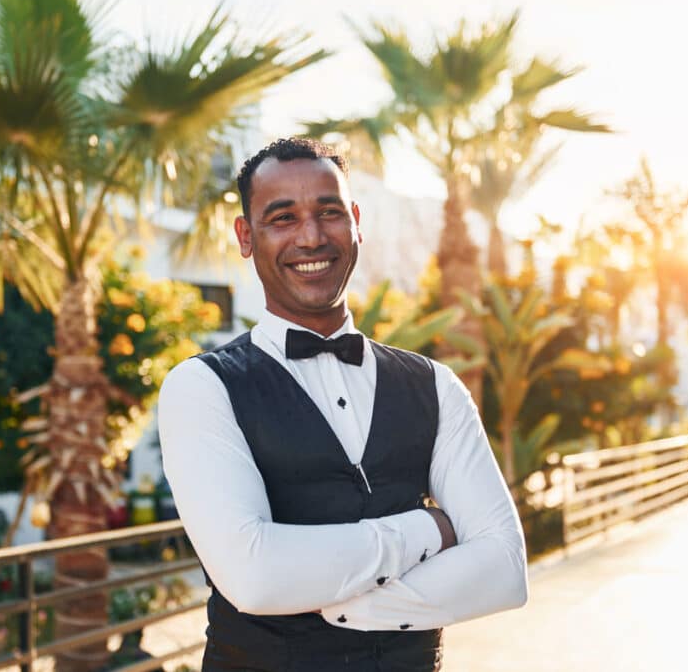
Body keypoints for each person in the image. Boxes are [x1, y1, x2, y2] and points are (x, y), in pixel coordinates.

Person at [158, 137, 528, 672]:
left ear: (356, 221)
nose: (311, 237)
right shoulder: (200, 387)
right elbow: (255, 577)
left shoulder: (435, 385)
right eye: (282, 218)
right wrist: (430, 530)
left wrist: (352, 605)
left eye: (329, 213)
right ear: (246, 235)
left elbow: (504, 570)